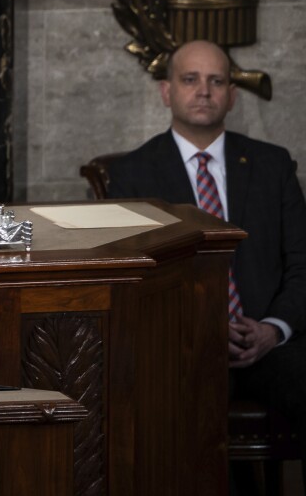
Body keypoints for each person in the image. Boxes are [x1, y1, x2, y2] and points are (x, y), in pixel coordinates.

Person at [106, 40, 306, 455]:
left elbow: (302, 263)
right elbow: (129, 281)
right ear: (167, 91)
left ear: (232, 95)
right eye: (191, 79)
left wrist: (274, 328)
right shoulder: (131, 175)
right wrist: (202, 330)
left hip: (270, 344)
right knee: (169, 407)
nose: (204, 91)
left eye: (217, 81)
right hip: (182, 348)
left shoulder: (273, 165)